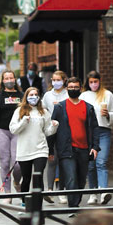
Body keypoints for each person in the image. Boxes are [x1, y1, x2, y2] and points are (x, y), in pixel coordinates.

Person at [51, 77, 100, 210]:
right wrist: (50, 150)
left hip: (84, 149)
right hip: (66, 149)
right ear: (67, 89)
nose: (73, 89)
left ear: (81, 89)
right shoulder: (60, 107)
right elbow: (52, 129)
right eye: (71, 87)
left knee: (81, 179)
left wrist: (95, 147)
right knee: (71, 178)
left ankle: (75, 203)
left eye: (76, 87)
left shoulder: (88, 108)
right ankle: (73, 207)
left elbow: (95, 128)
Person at [79, 70, 113, 205]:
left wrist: (108, 115)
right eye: (91, 82)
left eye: (95, 81)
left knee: (101, 162)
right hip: (89, 133)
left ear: (99, 81)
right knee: (91, 164)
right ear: (88, 83)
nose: (93, 84)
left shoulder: (107, 95)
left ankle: (103, 192)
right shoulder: (84, 96)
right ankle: (93, 193)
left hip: (103, 131)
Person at [9, 86, 58, 194]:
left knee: (38, 176)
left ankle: (38, 201)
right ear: (26, 97)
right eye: (31, 95)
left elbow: (47, 131)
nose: (34, 97)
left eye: (36, 95)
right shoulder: (19, 111)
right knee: (26, 178)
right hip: (25, 150)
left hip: (40, 149)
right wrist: (23, 122)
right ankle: (24, 201)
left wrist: (54, 126)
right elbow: (13, 129)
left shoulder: (43, 112)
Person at [0, 70, 23, 193]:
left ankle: (17, 181)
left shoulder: (22, 96)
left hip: (18, 132)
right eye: (6, 78)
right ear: (2, 81)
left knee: (17, 164)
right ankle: (7, 193)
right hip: (2, 132)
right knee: (5, 163)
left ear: (15, 79)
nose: (9, 81)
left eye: (11, 78)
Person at [41, 70, 70, 204]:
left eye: (58, 80)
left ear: (64, 81)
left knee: (63, 161)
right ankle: (50, 190)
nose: (56, 82)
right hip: (51, 131)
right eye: (54, 80)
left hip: (65, 130)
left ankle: (61, 190)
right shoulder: (47, 95)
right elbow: (43, 110)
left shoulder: (68, 94)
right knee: (52, 160)